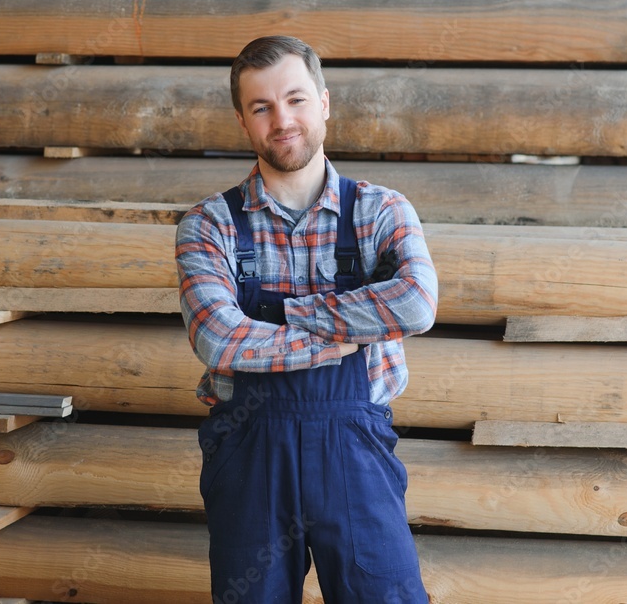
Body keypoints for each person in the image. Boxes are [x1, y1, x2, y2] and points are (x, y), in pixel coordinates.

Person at [175, 35, 438, 603]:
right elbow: (220, 341)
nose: (282, 119)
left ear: (323, 102)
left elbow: (416, 303)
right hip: (250, 456)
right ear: (243, 120)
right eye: (261, 106)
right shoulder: (208, 225)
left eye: (295, 99)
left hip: (355, 450)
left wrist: (289, 318)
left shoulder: (381, 211)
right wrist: (347, 337)